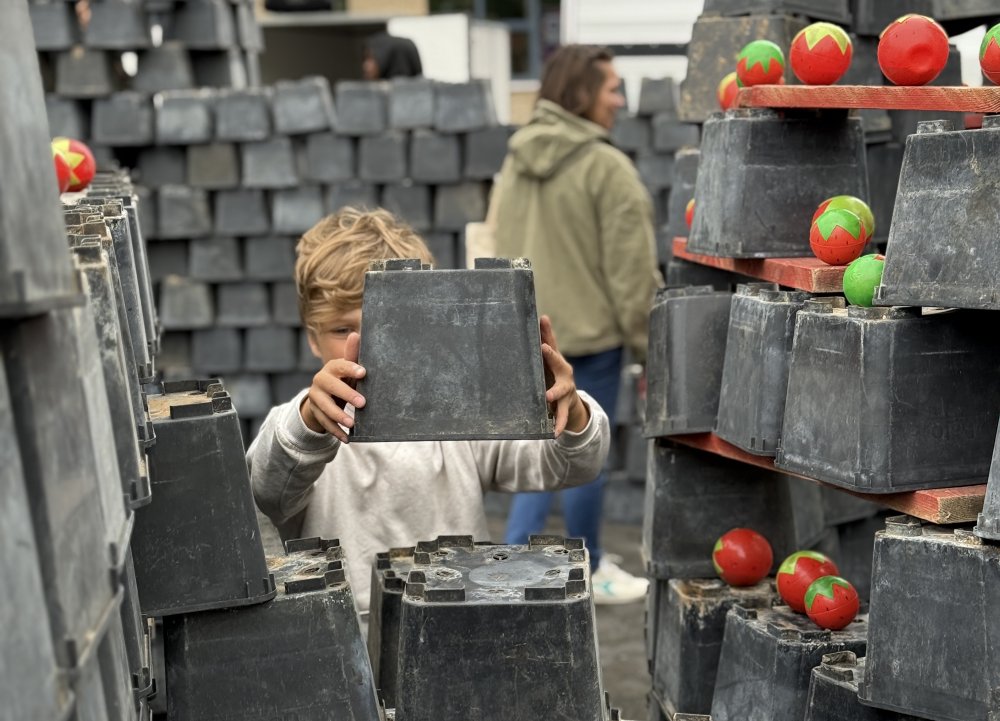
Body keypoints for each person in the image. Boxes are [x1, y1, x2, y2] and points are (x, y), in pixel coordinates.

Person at [247, 208, 611, 620]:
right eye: (341, 330)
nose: (366, 347)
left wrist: (566, 410)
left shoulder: (463, 408)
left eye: (390, 324)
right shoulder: (302, 424)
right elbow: (269, 487)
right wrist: (310, 420)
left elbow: (571, 466)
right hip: (343, 643)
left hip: (457, 628)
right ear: (313, 339)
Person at [492, 45, 661, 604]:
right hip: (590, 341)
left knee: (532, 453)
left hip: (526, 338)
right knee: (584, 455)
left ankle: (511, 566)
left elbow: (494, 246)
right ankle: (586, 564)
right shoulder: (606, 167)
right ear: (583, 93)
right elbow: (632, 273)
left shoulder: (514, 160)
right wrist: (649, 345)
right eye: (612, 86)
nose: (620, 98)